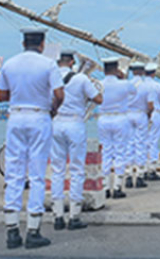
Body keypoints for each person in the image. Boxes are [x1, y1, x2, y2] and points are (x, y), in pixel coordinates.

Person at [0, 27, 64, 249]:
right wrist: (53, 109)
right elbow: (59, 94)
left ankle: (11, 231)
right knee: (36, 174)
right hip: (39, 117)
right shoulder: (48, 64)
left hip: (15, 117)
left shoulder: (9, 64)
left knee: (14, 173)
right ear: (42, 44)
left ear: (22, 43)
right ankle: (33, 230)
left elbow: (2, 95)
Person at [50, 49, 101, 231]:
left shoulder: (52, 76)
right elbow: (99, 98)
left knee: (57, 170)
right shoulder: (81, 79)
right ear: (72, 62)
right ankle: (74, 216)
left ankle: (57, 216)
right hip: (75, 123)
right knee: (77, 170)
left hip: (56, 123)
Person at [98, 56, 136, 199]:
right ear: (116, 69)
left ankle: (106, 187)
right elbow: (134, 92)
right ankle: (118, 186)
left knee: (106, 152)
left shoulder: (99, 84)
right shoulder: (124, 84)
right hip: (120, 118)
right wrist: (123, 77)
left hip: (103, 118)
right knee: (120, 151)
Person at [124, 61, 152, 189]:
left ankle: (128, 175)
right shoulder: (146, 86)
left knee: (128, 143)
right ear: (142, 71)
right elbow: (150, 105)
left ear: (132, 71)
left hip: (128, 114)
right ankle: (140, 175)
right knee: (141, 143)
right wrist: (148, 114)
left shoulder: (127, 84)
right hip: (141, 114)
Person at [142, 63, 160, 181]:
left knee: (141, 141)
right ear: (154, 73)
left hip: (141, 114)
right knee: (153, 141)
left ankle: (141, 169)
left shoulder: (140, 85)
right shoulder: (158, 86)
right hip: (155, 113)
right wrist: (158, 109)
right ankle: (151, 169)